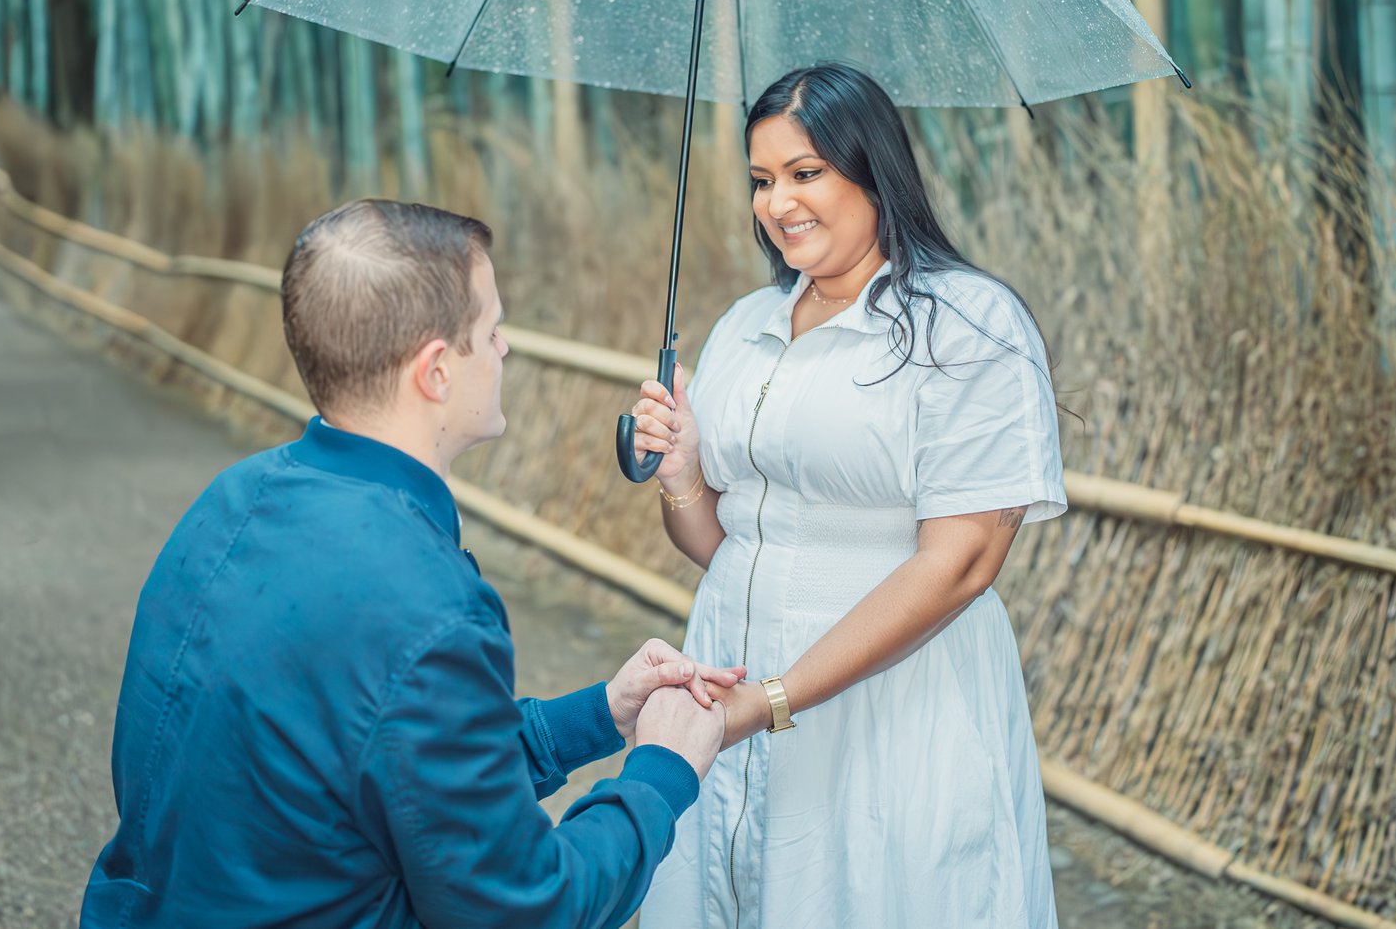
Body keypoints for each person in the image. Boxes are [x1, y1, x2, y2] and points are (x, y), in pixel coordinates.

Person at [82, 198, 744, 929]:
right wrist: (661, 771)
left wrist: (600, 714)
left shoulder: (230, 499)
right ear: (435, 372)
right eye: (490, 331)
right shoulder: (428, 604)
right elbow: (524, 907)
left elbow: (399, 764)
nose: (504, 350)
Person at [628, 64, 1067, 929]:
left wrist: (774, 700)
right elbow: (733, 547)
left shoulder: (964, 326)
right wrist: (682, 480)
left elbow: (962, 564)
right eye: (761, 180)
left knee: (870, 891)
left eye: (806, 173)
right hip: (731, 678)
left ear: (874, 172)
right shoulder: (745, 327)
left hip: (890, 691)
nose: (778, 203)